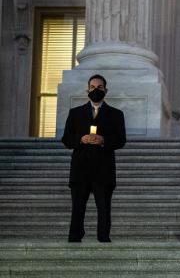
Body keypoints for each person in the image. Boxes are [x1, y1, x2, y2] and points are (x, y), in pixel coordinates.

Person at [61, 74, 126, 242]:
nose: (96, 90)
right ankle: (75, 237)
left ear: (106, 90)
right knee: (77, 208)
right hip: (80, 169)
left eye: (99, 87)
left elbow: (121, 140)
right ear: (87, 90)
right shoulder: (75, 113)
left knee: (104, 208)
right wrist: (81, 139)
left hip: (103, 170)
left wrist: (104, 140)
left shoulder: (116, 114)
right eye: (92, 87)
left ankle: (103, 238)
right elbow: (66, 139)